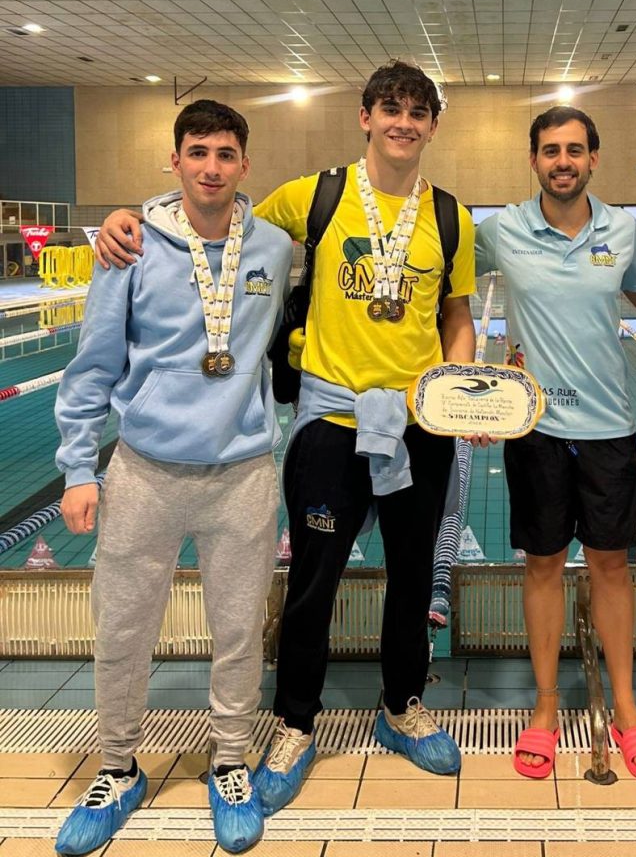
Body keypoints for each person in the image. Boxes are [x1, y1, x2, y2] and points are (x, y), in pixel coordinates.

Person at [95, 60, 477, 815]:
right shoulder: (317, 195)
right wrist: (129, 216)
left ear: (432, 125)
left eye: (417, 112)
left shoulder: (450, 217)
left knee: (413, 579)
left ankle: (402, 706)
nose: (402, 122)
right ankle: (295, 724)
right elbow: (213, 218)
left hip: (415, 429)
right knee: (312, 585)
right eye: (389, 108)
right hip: (329, 427)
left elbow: (457, 318)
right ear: (365, 117)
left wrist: (454, 396)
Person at [53, 100, 293, 854]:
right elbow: (93, 364)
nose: (212, 167)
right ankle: (118, 765)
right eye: (198, 152)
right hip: (145, 471)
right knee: (122, 628)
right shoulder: (131, 247)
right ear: (176, 160)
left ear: (245, 164)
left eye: (225, 153)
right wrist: (75, 468)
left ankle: (229, 761)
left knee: (236, 632)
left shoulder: (277, 248)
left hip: (243, 472)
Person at [474, 106, 636, 780]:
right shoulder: (499, 230)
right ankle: (547, 706)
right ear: (533, 160)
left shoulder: (622, 229)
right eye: (550, 150)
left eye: (575, 150)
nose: (563, 160)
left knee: (612, 567)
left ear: (593, 159)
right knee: (543, 565)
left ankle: (624, 705)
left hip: (610, 425)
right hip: (535, 429)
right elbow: (435, 279)